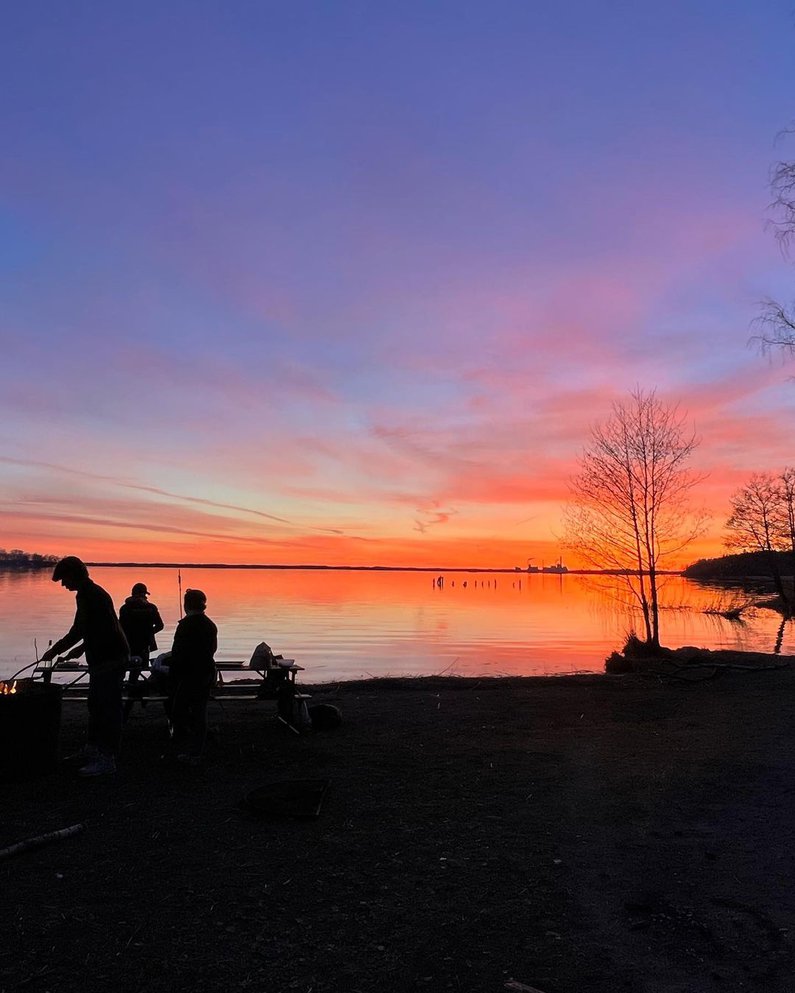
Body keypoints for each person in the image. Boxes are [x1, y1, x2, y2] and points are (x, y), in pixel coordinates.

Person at [40, 556, 129, 777]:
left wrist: (55, 650)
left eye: (64, 578)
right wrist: (79, 650)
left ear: (74, 574)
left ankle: (107, 758)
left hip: (111, 659)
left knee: (107, 708)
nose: (63, 584)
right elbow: (98, 627)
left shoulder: (89, 595)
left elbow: (79, 630)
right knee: (96, 705)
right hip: (107, 656)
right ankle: (93, 749)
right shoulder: (92, 593)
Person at [167, 588, 217, 765]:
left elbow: (178, 652)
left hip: (190, 675)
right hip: (206, 672)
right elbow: (212, 650)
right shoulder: (210, 625)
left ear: (187, 605)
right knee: (199, 711)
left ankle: (192, 751)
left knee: (179, 710)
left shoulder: (186, 625)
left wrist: (172, 670)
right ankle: (196, 750)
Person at [118, 582, 164, 716]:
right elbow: (160, 625)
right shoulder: (151, 608)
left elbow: (119, 628)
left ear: (132, 593)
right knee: (135, 675)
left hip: (127, 647)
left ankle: (121, 704)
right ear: (144, 594)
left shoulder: (125, 608)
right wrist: (149, 633)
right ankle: (130, 704)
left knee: (121, 673)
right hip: (144, 647)